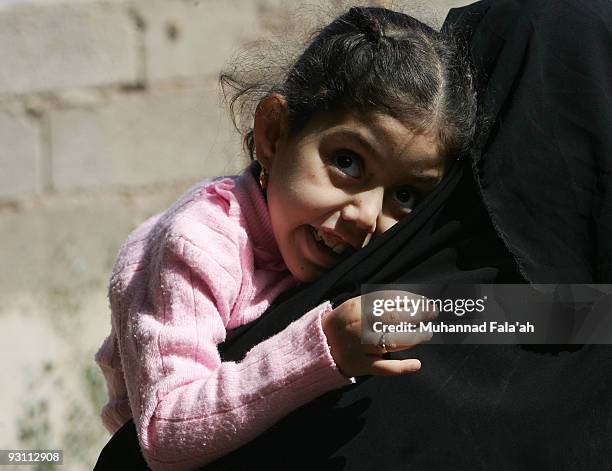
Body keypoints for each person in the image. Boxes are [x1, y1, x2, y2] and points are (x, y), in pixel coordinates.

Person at [94, 6, 476, 470]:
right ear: (274, 134)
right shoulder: (199, 244)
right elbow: (165, 429)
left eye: (406, 195)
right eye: (348, 162)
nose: (367, 216)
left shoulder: (338, 242)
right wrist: (324, 349)